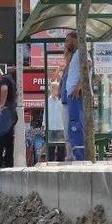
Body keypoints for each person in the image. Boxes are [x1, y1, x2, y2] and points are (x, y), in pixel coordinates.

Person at [64, 31, 89, 161]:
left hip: (76, 94)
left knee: (76, 124)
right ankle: (76, 153)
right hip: (72, 94)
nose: (66, 44)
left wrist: (79, 86)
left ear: (75, 39)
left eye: (68, 41)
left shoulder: (81, 52)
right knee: (72, 124)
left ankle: (79, 155)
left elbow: (88, 66)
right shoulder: (75, 54)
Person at [46, 81, 65, 160]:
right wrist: (44, 127)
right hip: (50, 127)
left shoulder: (62, 100)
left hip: (60, 127)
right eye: (57, 88)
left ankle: (60, 163)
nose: (58, 90)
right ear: (52, 89)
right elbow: (45, 114)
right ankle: (50, 163)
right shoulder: (47, 101)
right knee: (50, 149)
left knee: (61, 149)